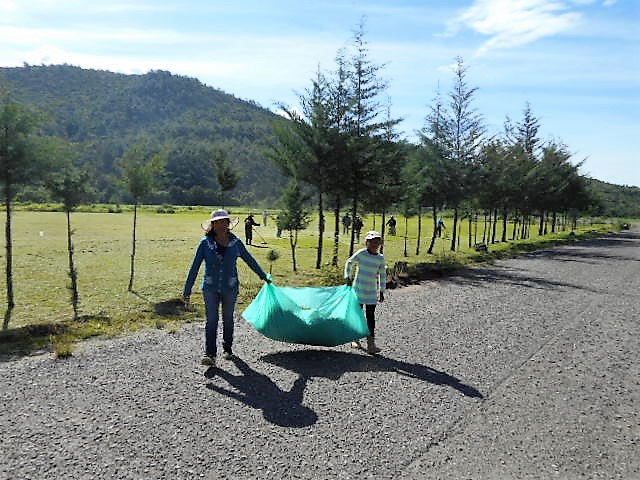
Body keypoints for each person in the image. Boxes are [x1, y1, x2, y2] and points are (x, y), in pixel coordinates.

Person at [183, 209, 269, 367]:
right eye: (218, 222)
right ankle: (210, 354)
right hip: (210, 288)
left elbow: (250, 260)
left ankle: (227, 349)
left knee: (228, 319)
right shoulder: (205, 244)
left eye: (224, 222)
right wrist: (187, 290)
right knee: (212, 320)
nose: (221, 225)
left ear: (229, 224)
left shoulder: (236, 243)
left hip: (230, 288)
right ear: (213, 225)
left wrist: (263, 276)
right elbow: (194, 267)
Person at [344, 230, 387, 354]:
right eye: (372, 242)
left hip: (371, 292)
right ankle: (355, 339)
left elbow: (382, 275)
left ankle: (371, 344)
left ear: (380, 244)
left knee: (370, 317)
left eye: (377, 242)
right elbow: (349, 262)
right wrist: (348, 277)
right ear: (367, 243)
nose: (375, 244)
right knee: (357, 314)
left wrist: (382, 291)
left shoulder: (380, 258)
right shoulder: (362, 254)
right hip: (358, 290)